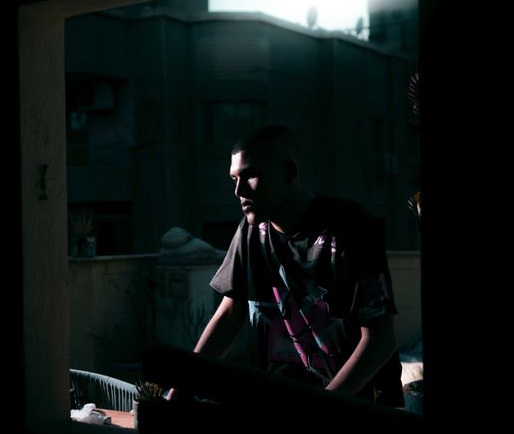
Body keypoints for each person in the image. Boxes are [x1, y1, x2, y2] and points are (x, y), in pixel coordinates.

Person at [170, 123, 403, 407]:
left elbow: (380, 340)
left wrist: (324, 409)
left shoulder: (348, 226)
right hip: (281, 409)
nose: (239, 190)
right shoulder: (251, 232)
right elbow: (230, 314)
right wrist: (181, 389)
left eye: (251, 175)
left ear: (289, 173)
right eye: (234, 179)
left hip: (360, 412)